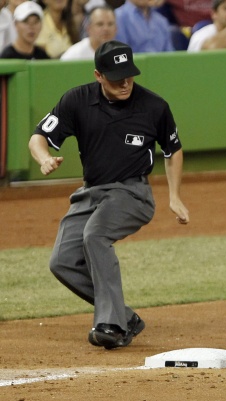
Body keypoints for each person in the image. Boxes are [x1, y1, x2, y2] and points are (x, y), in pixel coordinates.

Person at [27, 40, 190, 349]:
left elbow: (173, 150)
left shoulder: (154, 106)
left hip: (132, 193)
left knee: (95, 236)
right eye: (116, 78)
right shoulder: (76, 100)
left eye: (129, 76)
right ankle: (125, 317)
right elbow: (39, 136)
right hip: (91, 194)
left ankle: (111, 326)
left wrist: (175, 196)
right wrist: (43, 158)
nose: (125, 83)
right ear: (98, 75)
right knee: (62, 261)